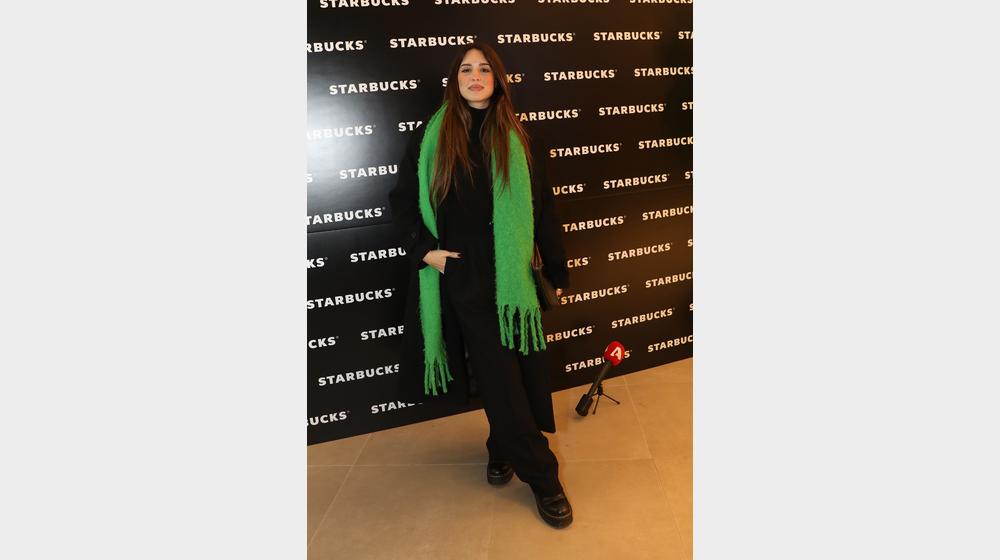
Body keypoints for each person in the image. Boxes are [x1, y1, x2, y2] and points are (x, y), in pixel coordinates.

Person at [387, 42, 573, 529]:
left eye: (484, 69)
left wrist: (557, 271)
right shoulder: (431, 136)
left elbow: (543, 208)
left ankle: (500, 446)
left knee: (511, 373)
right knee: (502, 375)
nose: (475, 76)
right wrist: (425, 250)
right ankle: (544, 477)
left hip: (512, 277)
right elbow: (401, 201)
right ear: (455, 80)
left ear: (498, 79)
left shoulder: (520, 137)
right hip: (462, 275)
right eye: (466, 69)